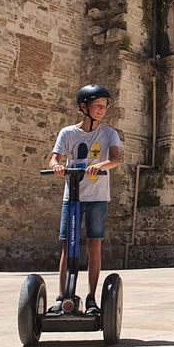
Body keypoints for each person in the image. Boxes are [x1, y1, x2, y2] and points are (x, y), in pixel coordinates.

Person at [47, 84, 123, 315]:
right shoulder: (68, 133)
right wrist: (57, 166)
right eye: (97, 106)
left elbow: (116, 158)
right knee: (67, 246)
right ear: (83, 107)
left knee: (94, 244)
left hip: (98, 197)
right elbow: (53, 159)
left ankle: (91, 297)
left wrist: (101, 165)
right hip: (73, 197)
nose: (101, 110)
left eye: (104, 107)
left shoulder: (109, 133)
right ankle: (63, 296)